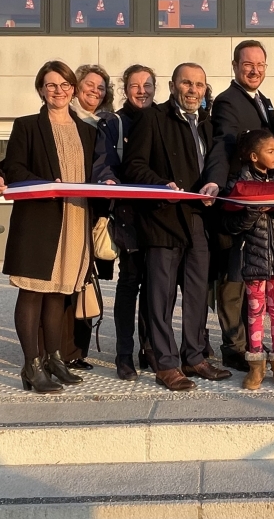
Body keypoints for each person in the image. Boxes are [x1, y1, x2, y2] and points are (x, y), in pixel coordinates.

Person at [123, 63, 232, 391]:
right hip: (163, 219)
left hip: (198, 218)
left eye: (199, 84)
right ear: (173, 86)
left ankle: (194, 356)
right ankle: (166, 363)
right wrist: (161, 185)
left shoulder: (207, 124)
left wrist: (214, 183)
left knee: (198, 293)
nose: (192, 89)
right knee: (161, 295)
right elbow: (134, 165)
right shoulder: (152, 118)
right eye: (186, 83)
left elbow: (217, 164)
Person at [3, 61, 96, 393]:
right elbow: (13, 166)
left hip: (75, 218)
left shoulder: (88, 131)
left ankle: (55, 358)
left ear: (72, 89)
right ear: (41, 89)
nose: (59, 91)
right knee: (33, 291)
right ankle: (31, 365)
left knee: (59, 291)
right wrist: (45, 184)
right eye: (51, 85)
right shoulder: (27, 126)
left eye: (65, 85)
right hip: (40, 221)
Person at [203, 40, 274, 372]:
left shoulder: (266, 103)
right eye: (248, 64)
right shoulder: (226, 101)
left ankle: (254, 339)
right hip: (236, 200)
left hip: (262, 206)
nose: (255, 70)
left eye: (260, 65)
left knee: (255, 274)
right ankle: (233, 345)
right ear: (234, 66)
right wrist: (217, 184)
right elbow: (223, 144)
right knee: (232, 277)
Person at [93, 64, 158, 380]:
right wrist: (106, 179)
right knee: (130, 283)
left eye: (147, 84)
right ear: (125, 88)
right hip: (128, 216)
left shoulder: (162, 119)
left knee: (155, 287)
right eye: (135, 85)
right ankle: (124, 355)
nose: (142, 90)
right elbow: (102, 162)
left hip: (159, 216)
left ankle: (150, 350)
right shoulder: (113, 123)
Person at [222, 130, 274, 390]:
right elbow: (232, 225)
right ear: (254, 156)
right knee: (255, 313)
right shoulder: (240, 182)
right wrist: (252, 211)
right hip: (252, 261)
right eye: (270, 151)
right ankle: (256, 365)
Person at [60, 63, 115, 371]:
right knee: (63, 284)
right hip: (66, 211)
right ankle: (57, 350)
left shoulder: (105, 124)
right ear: (76, 88)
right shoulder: (63, 120)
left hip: (93, 213)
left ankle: (75, 351)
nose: (95, 91)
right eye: (89, 86)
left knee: (86, 282)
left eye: (100, 87)